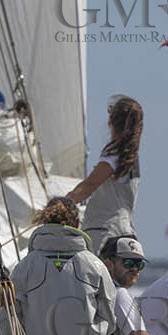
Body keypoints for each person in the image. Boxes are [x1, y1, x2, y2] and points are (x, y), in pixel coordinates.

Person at [10, 197, 115, 335]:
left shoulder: (23, 268)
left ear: (43, 223)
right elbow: (109, 318)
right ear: (76, 223)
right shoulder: (95, 265)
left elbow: (9, 318)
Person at [66, 95, 142, 255]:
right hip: (125, 231)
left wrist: (65, 203)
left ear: (111, 122)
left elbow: (90, 185)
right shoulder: (131, 156)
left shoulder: (114, 153)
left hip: (105, 231)